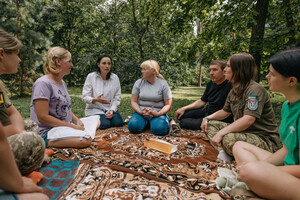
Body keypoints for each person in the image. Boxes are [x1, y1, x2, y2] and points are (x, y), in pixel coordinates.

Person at [232, 48, 300, 199]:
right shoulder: (287, 106)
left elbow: (249, 119)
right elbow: (286, 150)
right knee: (239, 145)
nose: (267, 76)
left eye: (273, 74)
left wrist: (260, 168)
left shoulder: (254, 90)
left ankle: (259, 184)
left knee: (248, 171)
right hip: (288, 168)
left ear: (291, 80)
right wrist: (265, 167)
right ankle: (261, 182)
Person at [201, 53, 280, 161]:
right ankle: (225, 153)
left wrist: (221, 132)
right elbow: (225, 111)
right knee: (211, 125)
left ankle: (235, 154)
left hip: (263, 139)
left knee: (228, 138)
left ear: (239, 69)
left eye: (228, 66)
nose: (225, 70)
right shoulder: (234, 90)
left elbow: (249, 119)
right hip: (243, 133)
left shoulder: (254, 90)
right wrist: (207, 118)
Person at [0, 29, 48, 200]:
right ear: (2, 53)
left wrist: (20, 132)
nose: (19, 60)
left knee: (31, 126)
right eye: (17, 54)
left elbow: (13, 113)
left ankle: (32, 159)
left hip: (6, 134)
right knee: (35, 141)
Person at [30, 46, 99, 148]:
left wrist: (76, 120)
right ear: (58, 61)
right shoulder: (42, 83)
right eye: (69, 61)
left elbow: (65, 108)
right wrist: (73, 127)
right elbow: (42, 117)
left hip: (64, 125)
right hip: (48, 131)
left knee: (97, 120)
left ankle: (74, 134)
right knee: (85, 141)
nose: (72, 65)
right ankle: (45, 141)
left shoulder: (62, 82)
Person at [175, 59, 233, 130]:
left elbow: (227, 111)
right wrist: (183, 108)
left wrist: (207, 118)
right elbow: (202, 101)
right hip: (207, 111)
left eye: (215, 70)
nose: (211, 73)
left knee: (183, 123)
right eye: (210, 70)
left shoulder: (230, 85)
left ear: (224, 71)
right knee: (181, 115)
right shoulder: (211, 83)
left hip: (218, 117)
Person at [127, 60, 172, 136]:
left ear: (153, 71)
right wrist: (139, 111)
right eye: (142, 69)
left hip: (158, 113)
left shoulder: (163, 84)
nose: (142, 71)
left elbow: (168, 104)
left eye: (144, 69)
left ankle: (158, 122)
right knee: (133, 127)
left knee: (160, 130)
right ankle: (147, 122)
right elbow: (133, 101)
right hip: (142, 113)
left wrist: (158, 114)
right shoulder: (138, 82)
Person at [82, 55, 123, 129]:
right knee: (105, 124)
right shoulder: (91, 76)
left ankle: (108, 116)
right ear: (98, 64)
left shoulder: (115, 78)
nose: (107, 66)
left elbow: (117, 97)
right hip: (94, 109)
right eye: (104, 63)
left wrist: (112, 110)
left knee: (118, 123)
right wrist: (95, 99)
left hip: (110, 108)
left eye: (109, 63)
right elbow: (85, 97)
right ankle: (89, 121)